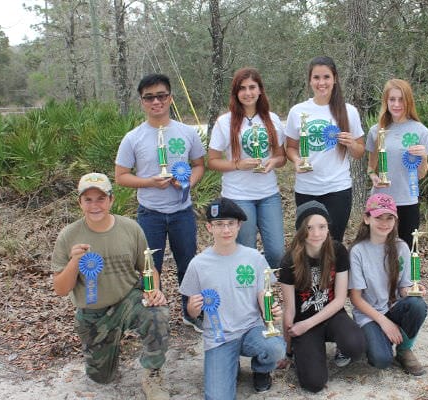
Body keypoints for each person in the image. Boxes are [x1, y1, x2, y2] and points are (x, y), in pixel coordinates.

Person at [52, 173, 170, 400]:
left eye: (101, 199)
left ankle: (153, 373)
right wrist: (74, 261)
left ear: (111, 200)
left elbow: (148, 268)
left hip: (128, 301)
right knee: (102, 378)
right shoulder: (69, 236)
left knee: (157, 312)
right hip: (93, 314)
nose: (95, 205)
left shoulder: (130, 228)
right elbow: (60, 289)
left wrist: (153, 290)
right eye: (88, 200)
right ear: (80, 203)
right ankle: (110, 347)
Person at [115, 73, 206, 331]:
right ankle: (155, 314)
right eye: (149, 97)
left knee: (188, 263)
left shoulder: (187, 132)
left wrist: (189, 182)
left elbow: (199, 165)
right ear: (142, 101)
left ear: (171, 98)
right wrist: (149, 182)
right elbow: (121, 177)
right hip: (150, 213)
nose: (156, 102)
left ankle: (191, 312)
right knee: (149, 266)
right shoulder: (133, 138)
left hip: (182, 212)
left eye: (162, 96)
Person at [179, 197, 285, 400]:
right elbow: (192, 312)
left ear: (239, 226)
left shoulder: (254, 257)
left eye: (230, 224)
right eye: (219, 224)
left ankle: (261, 370)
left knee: (276, 348)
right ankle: (229, 363)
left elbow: (263, 293)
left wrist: (271, 312)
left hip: (250, 330)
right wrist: (193, 308)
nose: (225, 230)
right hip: (219, 337)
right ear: (209, 227)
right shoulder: (198, 264)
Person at [279, 201, 365, 393]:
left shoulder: (337, 251)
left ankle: (340, 347)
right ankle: (307, 351)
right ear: (301, 230)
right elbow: (290, 310)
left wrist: (307, 325)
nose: (316, 233)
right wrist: (288, 350)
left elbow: (340, 299)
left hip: (332, 314)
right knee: (313, 383)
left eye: (322, 227)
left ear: (328, 228)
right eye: (309, 227)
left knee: (356, 345)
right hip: (304, 321)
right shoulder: (289, 261)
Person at [208, 67, 286, 268]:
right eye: (242, 88)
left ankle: (267, 286)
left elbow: (281, 157)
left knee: (277, 251)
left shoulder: (273, 119)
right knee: (247, 249)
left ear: (260, 90)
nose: (248, 93)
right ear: (235, 93)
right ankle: (251, 290)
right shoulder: (224, 122)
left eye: (252, 87)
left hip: (269, 194)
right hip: (239, 195)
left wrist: (273, 162)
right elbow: (212, 161)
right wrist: (237, 164)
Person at [285, 56, 365, 242]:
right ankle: (313, 273)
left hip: (338, 188)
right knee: (309, 243)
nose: (322, 83)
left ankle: (331, 272)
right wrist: (297, 160)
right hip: (306, 188)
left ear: (335, 79)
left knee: (333, 243)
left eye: (326, 77)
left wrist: (352, 144)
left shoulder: (349, 111)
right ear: (310, 80)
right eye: (316, 77)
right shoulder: (297, 111)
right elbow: (290, 147)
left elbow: (360, 152)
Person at [348, 193, 428, 375]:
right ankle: (376, 337)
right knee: (381, 360)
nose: (384, 223)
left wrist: (413, 292)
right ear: (367, 219)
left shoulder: (401, 247)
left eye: (389, 217)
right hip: (369, 314)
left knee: (417, 305)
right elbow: (355, 298)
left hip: (394, 308)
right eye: (378, 217)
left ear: (396, 220)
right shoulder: (357, 251)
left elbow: (403, 288)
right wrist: (384, 322)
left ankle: (404, 349)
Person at [366, 78, 428, 249]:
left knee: (409, 250)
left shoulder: (421, 131)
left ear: (408, 101)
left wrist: (424, 157)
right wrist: (372, 175)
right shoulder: (376, 131)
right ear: (385, 101)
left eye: (401, 99)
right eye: (392, 99)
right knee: (378, 250)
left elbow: (422, 174)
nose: (396, 104)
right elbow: (371, 165)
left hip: (407, 200)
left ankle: (409, 278)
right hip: (380, 201)